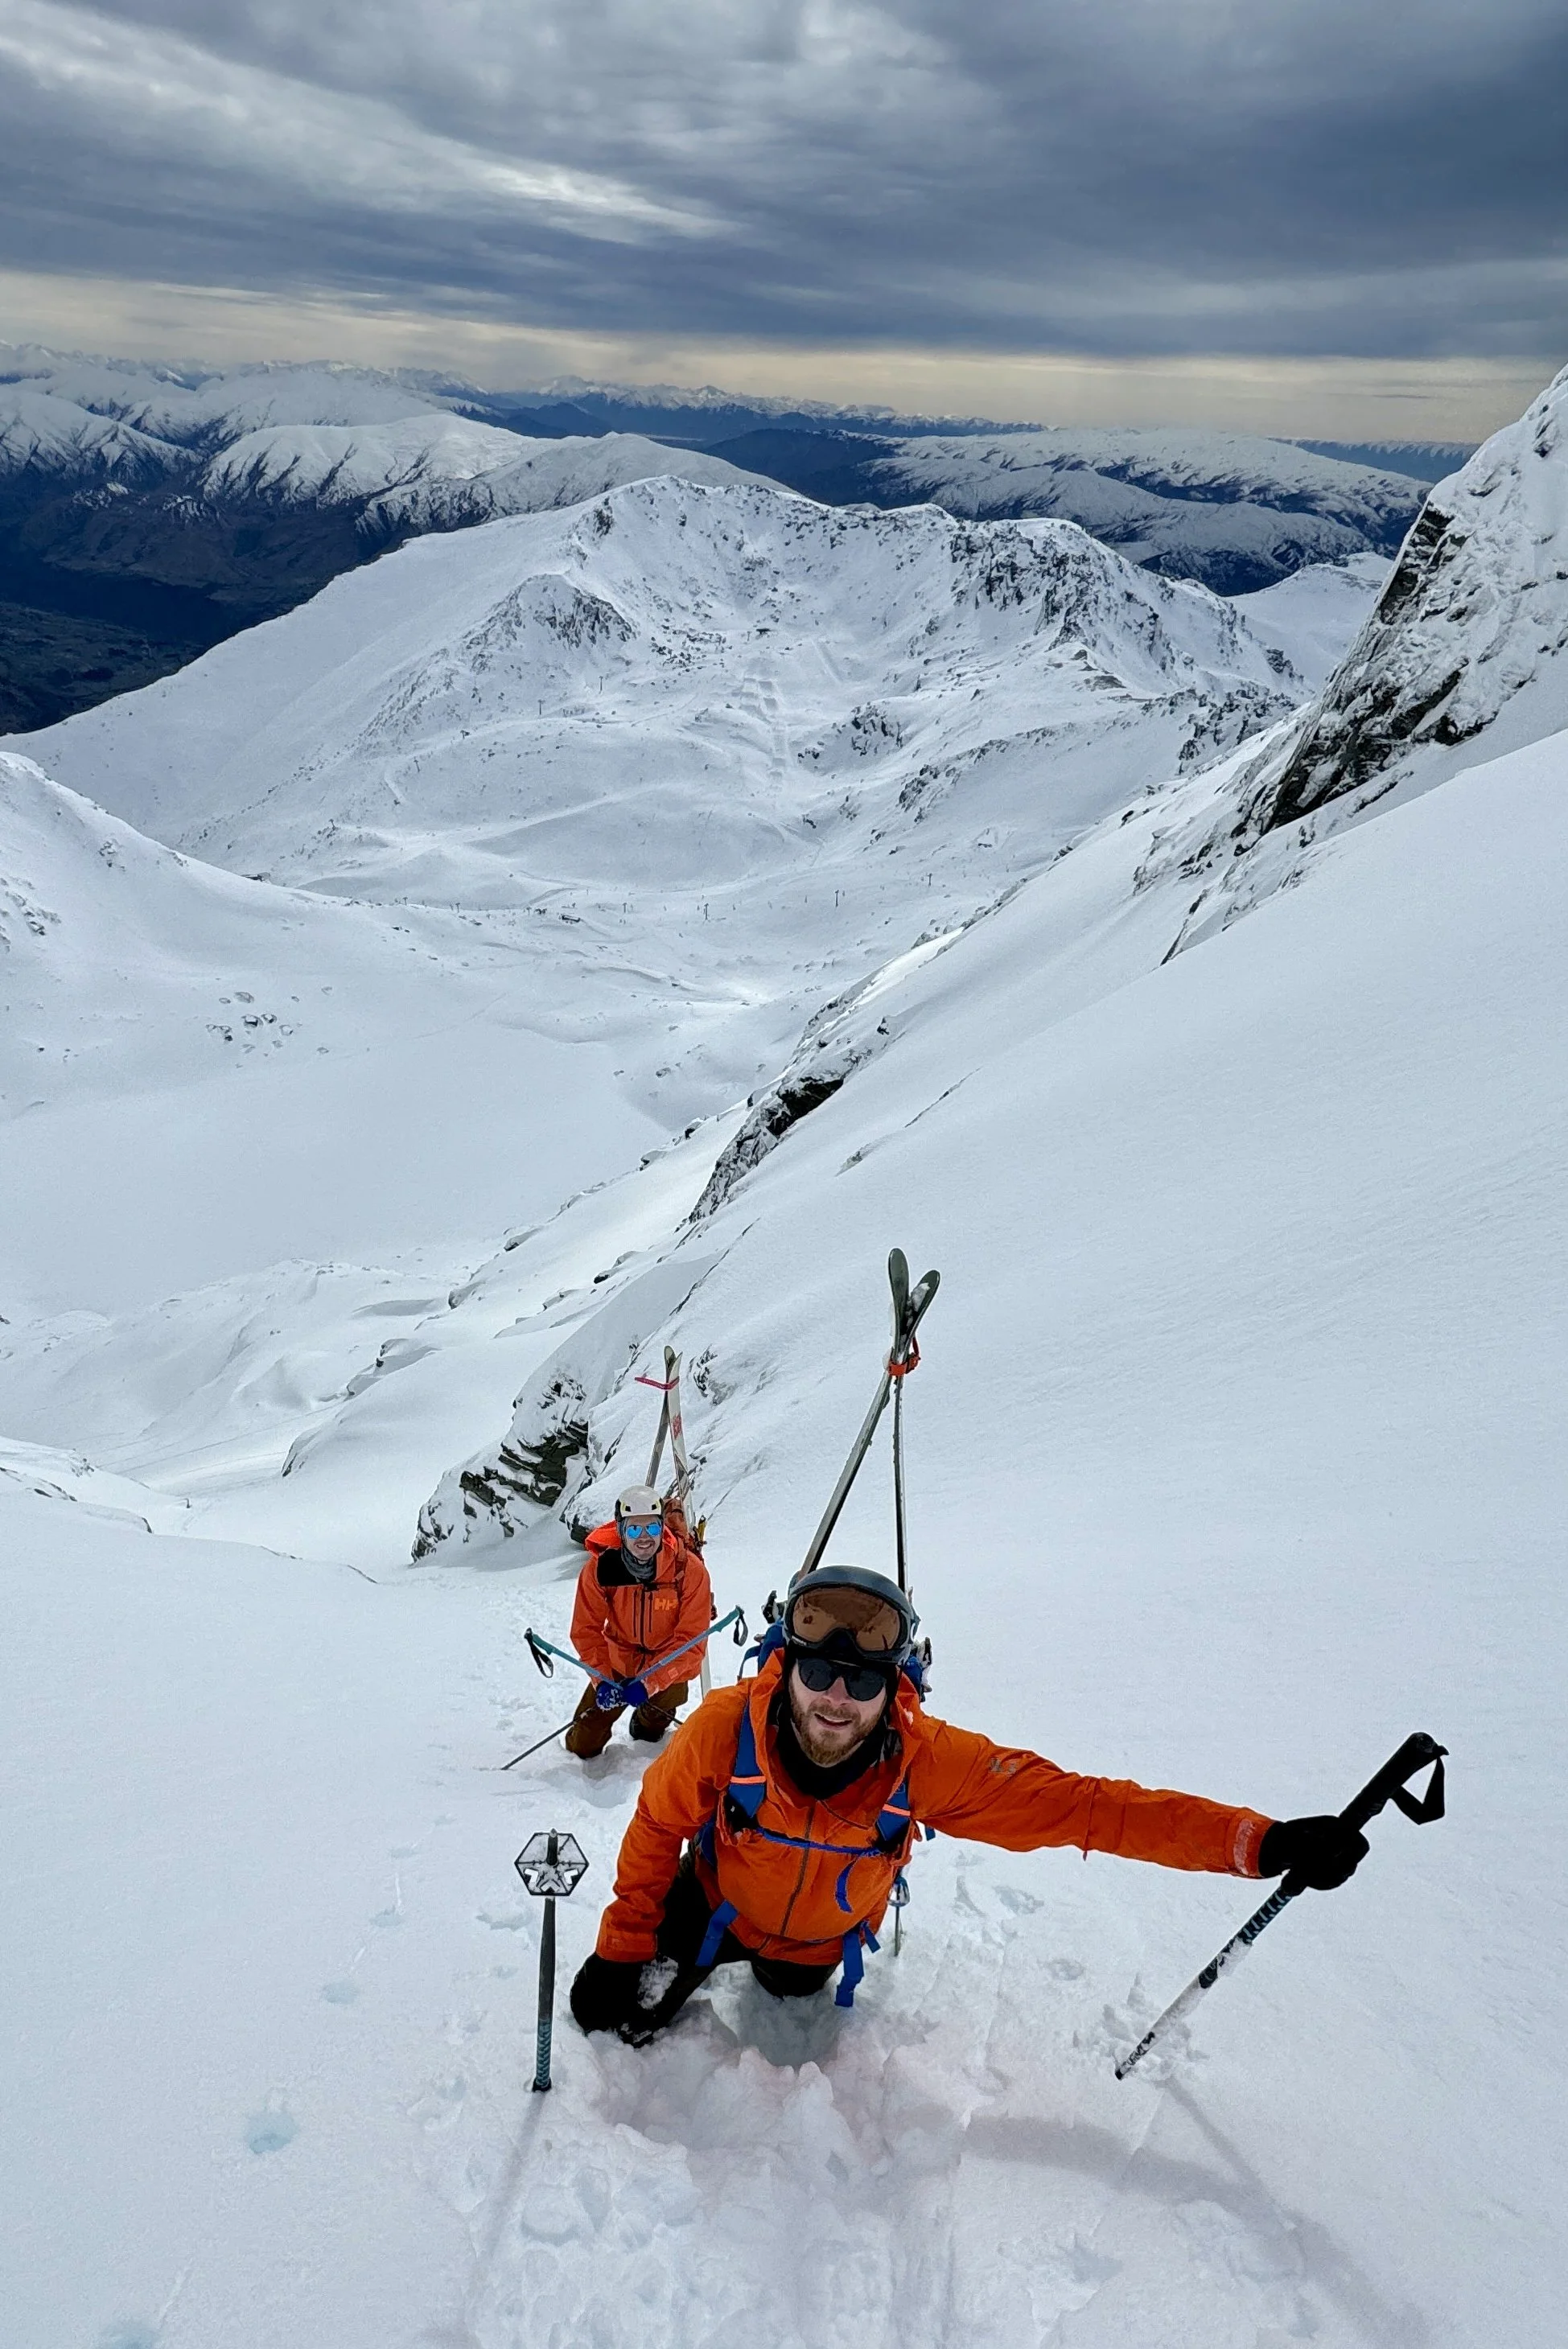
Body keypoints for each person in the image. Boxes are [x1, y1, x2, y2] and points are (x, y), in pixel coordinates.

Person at [570, 1562, 1368, 2040]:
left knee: (789, 1993)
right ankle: (673, 1957)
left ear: (896, 1691)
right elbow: (654, 1829)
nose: (835, 1699)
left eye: (863, 1682)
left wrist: (1257, 1844)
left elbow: (1090, 1808)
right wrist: (621, 1943)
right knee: (606, 2016)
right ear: (786, 1670)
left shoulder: (928, 1762)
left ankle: (780, 1967)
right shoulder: (722, 1727)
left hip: (809, 1949)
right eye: (817, 1673)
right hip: (710, 1906)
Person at [563, 1485, 714, 1758]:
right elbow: (586, 1631)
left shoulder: (688, 1571)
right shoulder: (601, 1569)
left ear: (662, 1529)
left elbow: (691, 1643)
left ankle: (647, 1720)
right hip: (617, 1662)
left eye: (652, 1529)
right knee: (581, 1744)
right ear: (621, 1530)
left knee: (650, 1732)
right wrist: (602, 1680)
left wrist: (651, 1682)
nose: (644, 1538)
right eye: (634, 1529)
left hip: (668, 1665)